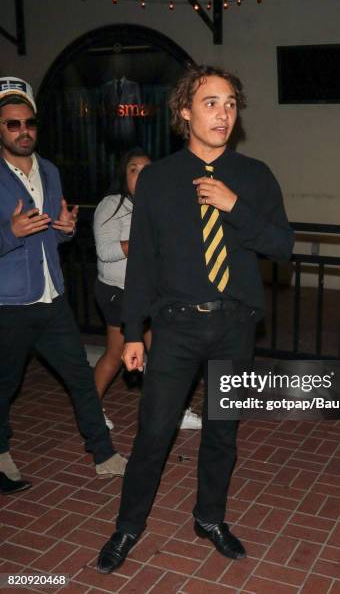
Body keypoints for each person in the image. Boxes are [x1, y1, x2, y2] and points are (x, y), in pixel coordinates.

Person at [96, 65, 294, 573]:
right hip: (178, 327)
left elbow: (283, 246)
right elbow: (141, 263)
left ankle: (209, 517)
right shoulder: (159, 179)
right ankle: (128, 526)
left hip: (235, 326)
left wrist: (235, 207)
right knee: (154, 434)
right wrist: (134, 332)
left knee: (222, 433)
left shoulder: (254, 176)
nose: (223, 114)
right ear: (185, 111)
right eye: (211, 103)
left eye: (230, 104)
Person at [0, 76, 127, 490]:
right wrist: (9, 233)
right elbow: (18, 235)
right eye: (12, 124)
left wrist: (66, 229)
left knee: (79, 375)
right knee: (4, 385)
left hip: (52, 298)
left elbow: (50, 233)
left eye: (29, 123)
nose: (23, 131)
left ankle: (104, 454)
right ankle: (1, 455)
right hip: (10, 304)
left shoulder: (50, 171)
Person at [93, 147, 201, 431]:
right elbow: (105, 251)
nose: (141, 175)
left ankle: (174, 412)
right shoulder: (111, 205)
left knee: (162, 354)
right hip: (118, 292)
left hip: (150, 293)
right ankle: (90, 411)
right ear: (123, 174)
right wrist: (144, 242)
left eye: (147, 170)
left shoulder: (157, 204)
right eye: (134, 169)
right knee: (116, 353)